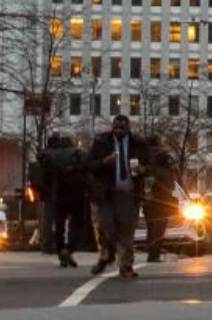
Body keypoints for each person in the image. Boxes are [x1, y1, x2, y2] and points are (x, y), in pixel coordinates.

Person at [83, 115, 145, 278]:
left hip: (129, 192)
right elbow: (88, 165)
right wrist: (104, 162)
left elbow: (151, 164)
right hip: (107, 193)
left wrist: (144, 169)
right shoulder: (101, 142)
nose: (118, 131)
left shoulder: (138, 143)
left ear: (128, 128)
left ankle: (126, 266)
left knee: (127, 231)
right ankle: (110, 251)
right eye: (115, 127)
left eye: (121, 128)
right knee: (105, 226)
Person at [31, 133, 87, 266]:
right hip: (76, 194)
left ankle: (59, 250)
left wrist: (45, 191)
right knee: (77, 223)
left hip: (56, 195)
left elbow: (41, 176)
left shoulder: (48, 155)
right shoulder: (78, 153)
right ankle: (69, 249)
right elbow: (86, 170)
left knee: (58, 225)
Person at [139, 147, 177, 264]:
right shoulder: (163, 171)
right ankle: (153, 254)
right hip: (158, 204)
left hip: (154, 204)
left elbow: (148, 187)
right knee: (158, 230)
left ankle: (153, 253)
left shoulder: (156, 171)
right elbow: (170, 187)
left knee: (153, 230)